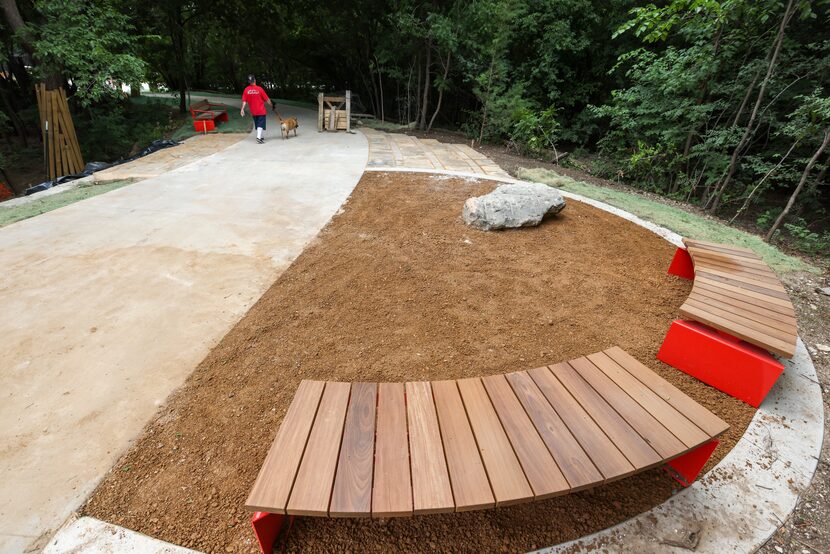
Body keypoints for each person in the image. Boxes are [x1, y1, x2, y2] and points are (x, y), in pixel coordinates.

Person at [240, 75, 271, 144]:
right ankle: (258, 137)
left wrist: (242, 109)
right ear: (255, 80)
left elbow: (244, 101)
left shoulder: (246, 90)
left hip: (253, 111)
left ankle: (261, 136)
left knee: (258, 124)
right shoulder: (260, 89)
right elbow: (267, 99)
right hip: (261, 110)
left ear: (249, 82)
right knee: (261, 124)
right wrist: (272, 105)